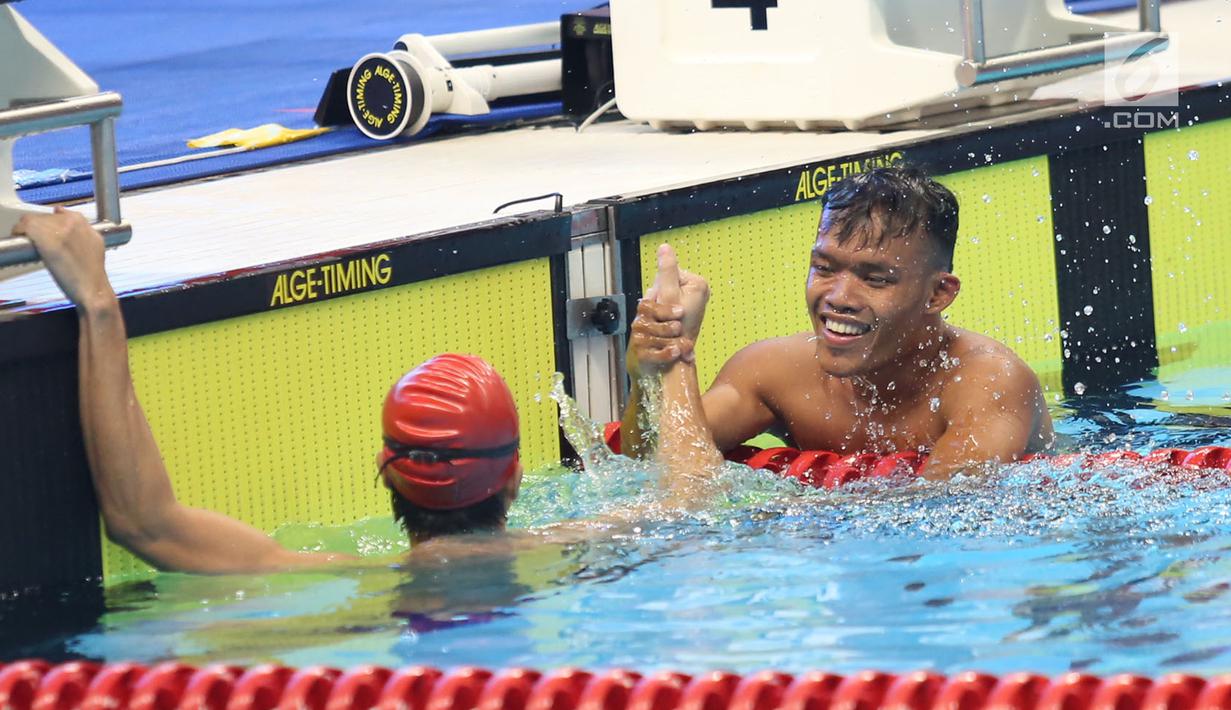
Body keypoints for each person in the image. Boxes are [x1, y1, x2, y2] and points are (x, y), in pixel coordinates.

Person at [14, 208, 711, 577]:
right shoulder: (575, 546)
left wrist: (99, 305)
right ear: (515, 479)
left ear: (385, 471)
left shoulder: (335, 579)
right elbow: (691, 499)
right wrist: (671, 354)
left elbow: (143, 524)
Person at [623, 166, 1055, 479]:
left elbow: (943, 514)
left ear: (938, 294)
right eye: (825, 268)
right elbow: (645, 468)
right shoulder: (773, 371)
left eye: (875, 278)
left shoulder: (989, 381)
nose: (838, 298)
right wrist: (656, 367)